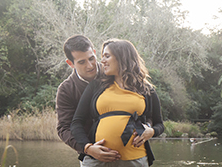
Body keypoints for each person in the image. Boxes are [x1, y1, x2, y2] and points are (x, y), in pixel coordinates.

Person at [71, 39, 165, 167]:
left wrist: (152, 131)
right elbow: (76, 122)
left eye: (107, 56)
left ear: (122, 57)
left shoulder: (147, 90)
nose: (102, 61)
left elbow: (159, 124)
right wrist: (88, 148)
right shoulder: (96, 86)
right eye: (102, 56)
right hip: (97, 161)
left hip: (135, 160)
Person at [56, 35, 118, 163]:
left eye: (91, 58)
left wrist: (148, 127)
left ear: (95, 53)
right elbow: (64, 128)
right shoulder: (66, 90)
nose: (90, 66)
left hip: (125, 153)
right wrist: (87, 148)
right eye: (82, 62)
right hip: (91, 156)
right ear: (70, 63)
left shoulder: (115, 74)